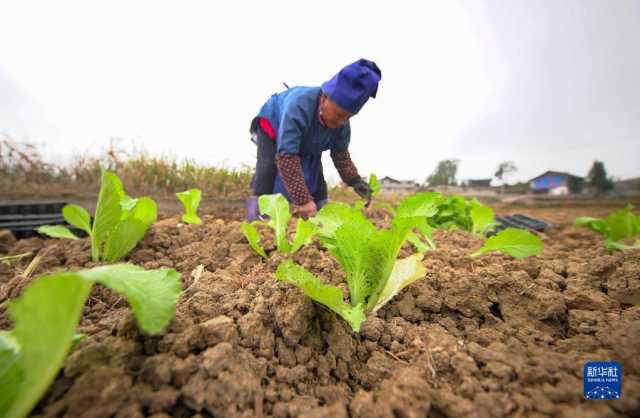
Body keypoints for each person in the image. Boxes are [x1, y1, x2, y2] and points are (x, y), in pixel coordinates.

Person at [246, 58, 381, 220]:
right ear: (324, 98)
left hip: (310, 139)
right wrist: (303, 201)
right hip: (273, 123)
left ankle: (322, 214)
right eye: (338, 114)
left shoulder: (342, 125)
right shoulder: (298, 106)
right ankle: (257, 217)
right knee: (267, 166)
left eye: (347, 117)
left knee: (316, 169)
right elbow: (287, 156)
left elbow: (341, 158)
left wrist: (357, 182)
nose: (340, 122)